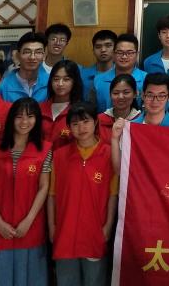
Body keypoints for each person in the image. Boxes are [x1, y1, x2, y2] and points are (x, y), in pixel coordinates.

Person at [0, 97, 51, 286]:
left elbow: (44, 187)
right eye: (19, 116)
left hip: (29, 225)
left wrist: (28, 220)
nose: (24, 121)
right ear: (11, 119)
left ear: (37, 120)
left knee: (29, 275)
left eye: (30, 116)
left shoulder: (45, 150)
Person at [48, 102, 117, 285]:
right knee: (66, 280)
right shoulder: (59, 155)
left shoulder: (109, 154)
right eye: (75, 124)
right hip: (65, 231)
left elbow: (113, 195)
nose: (81, 128)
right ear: (69, 127)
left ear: (96, 122)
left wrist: (108, 226)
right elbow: (51, 195)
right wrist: (52, 226)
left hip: (95, 231)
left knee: (95, 280)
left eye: (86, 121)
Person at [90, 33, 145, 113]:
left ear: (137, 54)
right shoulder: (98, 80)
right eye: (120, 52)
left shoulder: (146, 79)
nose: (124, 57)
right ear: (113, 53)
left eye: (130, 53)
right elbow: (91, 111)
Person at [41, 59, 84, 151]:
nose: (60, 84)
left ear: (74, 82)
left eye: (66, 79)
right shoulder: (39, 109)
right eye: (56, 79)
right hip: (38, 159)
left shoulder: (81, 112)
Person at [0, 31, 50, 103]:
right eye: (27, 52)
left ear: (44, 56)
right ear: (17, 56)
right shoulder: (3, 86)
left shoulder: (50, 83)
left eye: (38, 52)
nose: (32, 57)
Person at [97, 73, 141, 142]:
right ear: (110, 95)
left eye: (126, 92)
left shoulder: (141, 121)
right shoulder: (99, 120)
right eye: (116, 93)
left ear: (135, 94)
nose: (120, 97)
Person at [80, 29, 116, 100]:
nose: (103, 50)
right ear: (93, 50)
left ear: (116, 49)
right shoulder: (82, 75)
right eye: (98, 47)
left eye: (108, 46)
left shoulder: (122, 74)